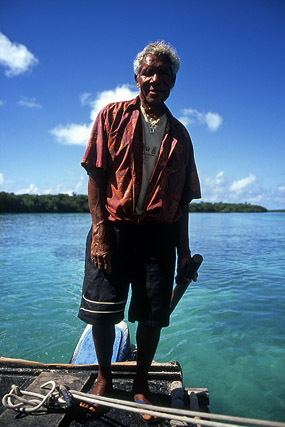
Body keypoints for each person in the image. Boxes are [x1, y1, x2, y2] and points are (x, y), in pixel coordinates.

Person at [78, 41, 201, 419]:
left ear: (172, 83)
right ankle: (103, 377)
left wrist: (183, 253)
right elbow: (96, 177)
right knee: (102, 313)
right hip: (112, 230)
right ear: (136, 77)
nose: (155, 79)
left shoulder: (180, 135)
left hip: (159, 237)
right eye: (149, 72)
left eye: (164, 73)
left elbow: (182, 203)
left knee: (151, 317)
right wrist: (99, 231)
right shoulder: (112, 116)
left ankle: (141, 384)